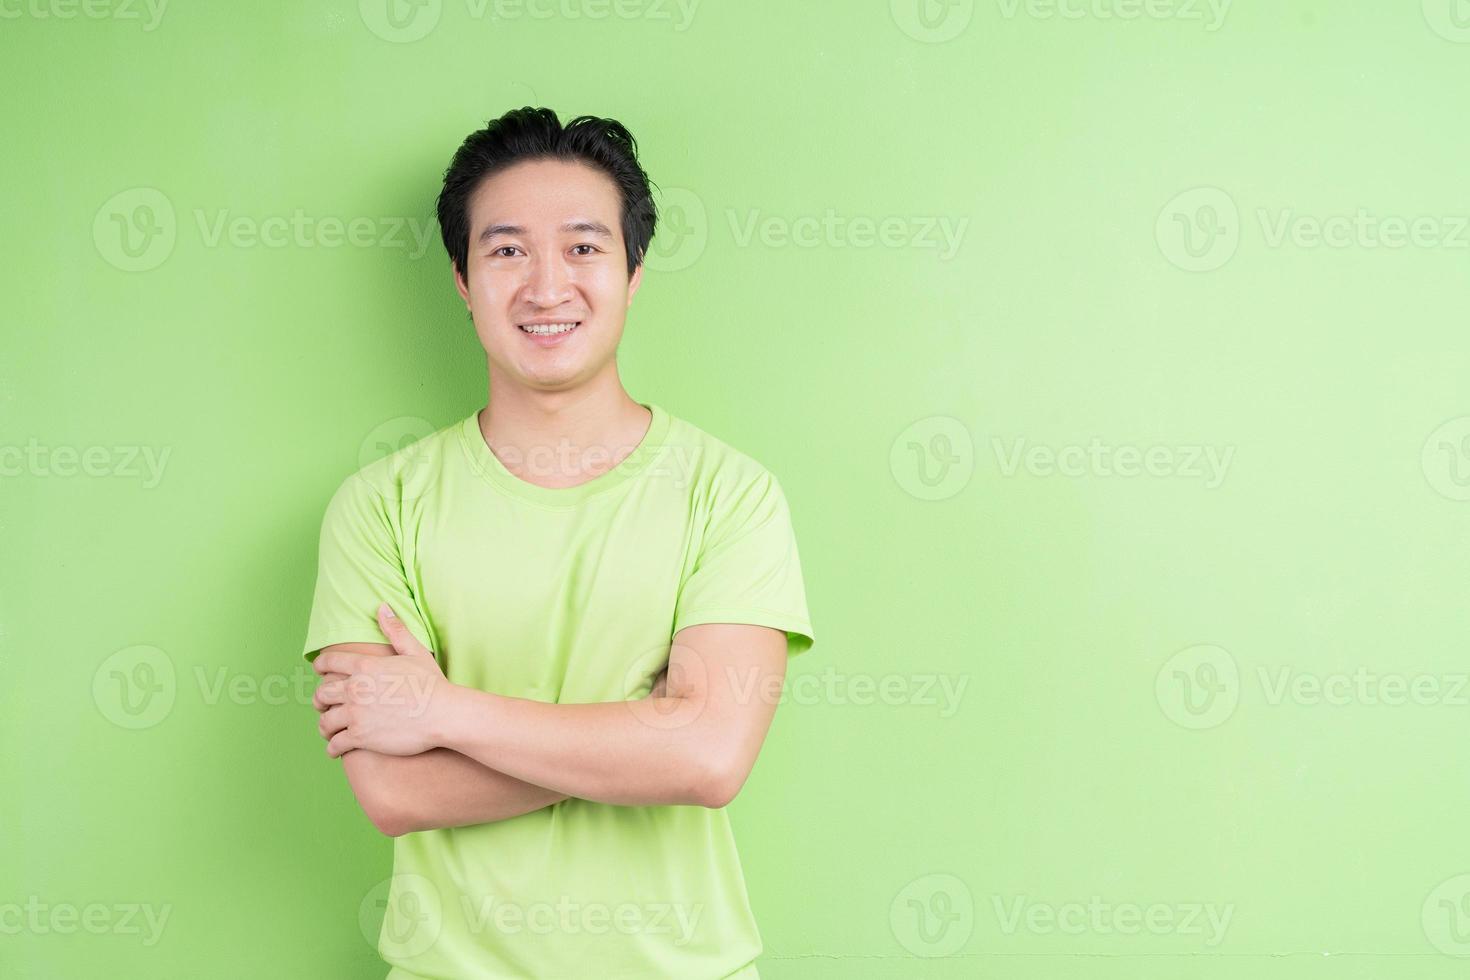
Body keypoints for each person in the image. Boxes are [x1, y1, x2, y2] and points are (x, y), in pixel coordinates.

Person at [301, 106, 815, 979]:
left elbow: (709, 758)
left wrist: (445, 713)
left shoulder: (731, 493)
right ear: (463, 280)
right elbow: (394, 793)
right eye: (506, 250)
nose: (546, 287)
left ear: (633, 269)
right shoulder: (377, 506)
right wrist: (642, 732)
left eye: (583, 247)